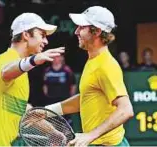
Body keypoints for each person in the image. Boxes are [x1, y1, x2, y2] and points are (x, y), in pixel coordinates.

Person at [0, 13, 64, 146]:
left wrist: (52, 132)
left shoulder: (21, 71)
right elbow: (6, 72)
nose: (46, 41)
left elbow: (25, 110)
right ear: (26, 35)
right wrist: (34, 60)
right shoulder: (5, 59)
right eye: (42, 35)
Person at [44, 6, 134, 146]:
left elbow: (126, 110)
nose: (76, 32)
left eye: (81, 27)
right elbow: (86, 98)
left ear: (97, 31)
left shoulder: (106, 66)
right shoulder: (93, 60)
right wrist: (47, 111)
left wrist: (90, 136)